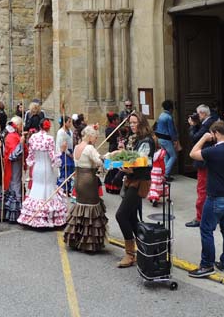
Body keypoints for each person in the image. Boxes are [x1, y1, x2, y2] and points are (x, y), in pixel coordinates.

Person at [187, 120, 224, 278]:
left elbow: (193, 153)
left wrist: (204, 138)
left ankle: (206, 265)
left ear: (216, 134)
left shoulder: (213, 151)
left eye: (212, 134)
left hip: (215, 197)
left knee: (206, 230)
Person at [114, 112, 155, 267]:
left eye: (134, 122)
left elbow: (142, 161)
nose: (131, 125)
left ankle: (130, 254)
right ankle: (144, 250)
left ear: (141, 123)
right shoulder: (137, 139)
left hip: (139, 182)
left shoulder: (147, 141)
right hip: (132, 180)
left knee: (121, 215)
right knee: (131, 218)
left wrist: (126, 165)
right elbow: (132, 158)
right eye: (130, 123)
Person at [63, 125, 108, 252]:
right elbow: (100, 162)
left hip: (79, 180)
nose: (96, 139)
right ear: (89, 136)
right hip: (89, 180)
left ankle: (76, 239)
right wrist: (108, 156)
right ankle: (89, 242)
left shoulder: (77, 147)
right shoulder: (89, 148)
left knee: (80, 206)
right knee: (91, 208)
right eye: (95, 136)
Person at [17, 122, 66, 228]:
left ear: (39, 126)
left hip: (37, 168)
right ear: (48, 128)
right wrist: (61, 151)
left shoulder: (33, 137)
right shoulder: (49, 139)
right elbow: (53, 157)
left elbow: (31, 155)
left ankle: (32, 216)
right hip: (47, 168)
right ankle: (47, 217)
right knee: (47, 189)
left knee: (36, 188)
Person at [186, 104, 217, 228]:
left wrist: (193, 126)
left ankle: (200, 218)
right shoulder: (214, 120)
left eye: (198, 114)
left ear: (203, 114)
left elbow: (195, 138)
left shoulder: (207, 125)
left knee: (202, 189)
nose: (196, 116)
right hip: (212, 160)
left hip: (204, 161)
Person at [1, 117, 24, 222]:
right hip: (13, 165)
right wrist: (21, 143)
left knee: (15, 183)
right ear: (17, 126)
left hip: (15, 165)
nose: (22, 127)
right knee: (15, 184)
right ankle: (14, 213)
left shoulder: (13, 135)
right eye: (21, 125)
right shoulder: (12, 137)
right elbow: (14, 155)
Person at [155, 100, 178, 181]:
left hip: (160, 138)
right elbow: (171, 130)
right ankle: (165, 174)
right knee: (173, 156)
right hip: (166, 139)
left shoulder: (161, 115)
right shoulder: (169, 117)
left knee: (166, 156)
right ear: (171, 108)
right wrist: (175, 140)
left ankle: (164, 173)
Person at [103, 112, 126, 195]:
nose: (118, 121)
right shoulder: (110, 129)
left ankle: (115, 187)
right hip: (113, 149)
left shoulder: (116, 128)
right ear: (114, 120)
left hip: (117, 148)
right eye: (117, 119)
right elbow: (108, 139)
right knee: (112, 167)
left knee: (116, 167)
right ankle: (111, 186)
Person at [56, 114, 75, 196]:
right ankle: (63, 188)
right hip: (64, 153)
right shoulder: (61, 132)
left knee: (70, 170)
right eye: (69, 122)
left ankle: (69, 188)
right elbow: (61, 145)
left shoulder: (70, 131)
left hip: (70, 151)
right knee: (65, 170)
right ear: (64, 123)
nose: (70, 124)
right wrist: (68, 153)